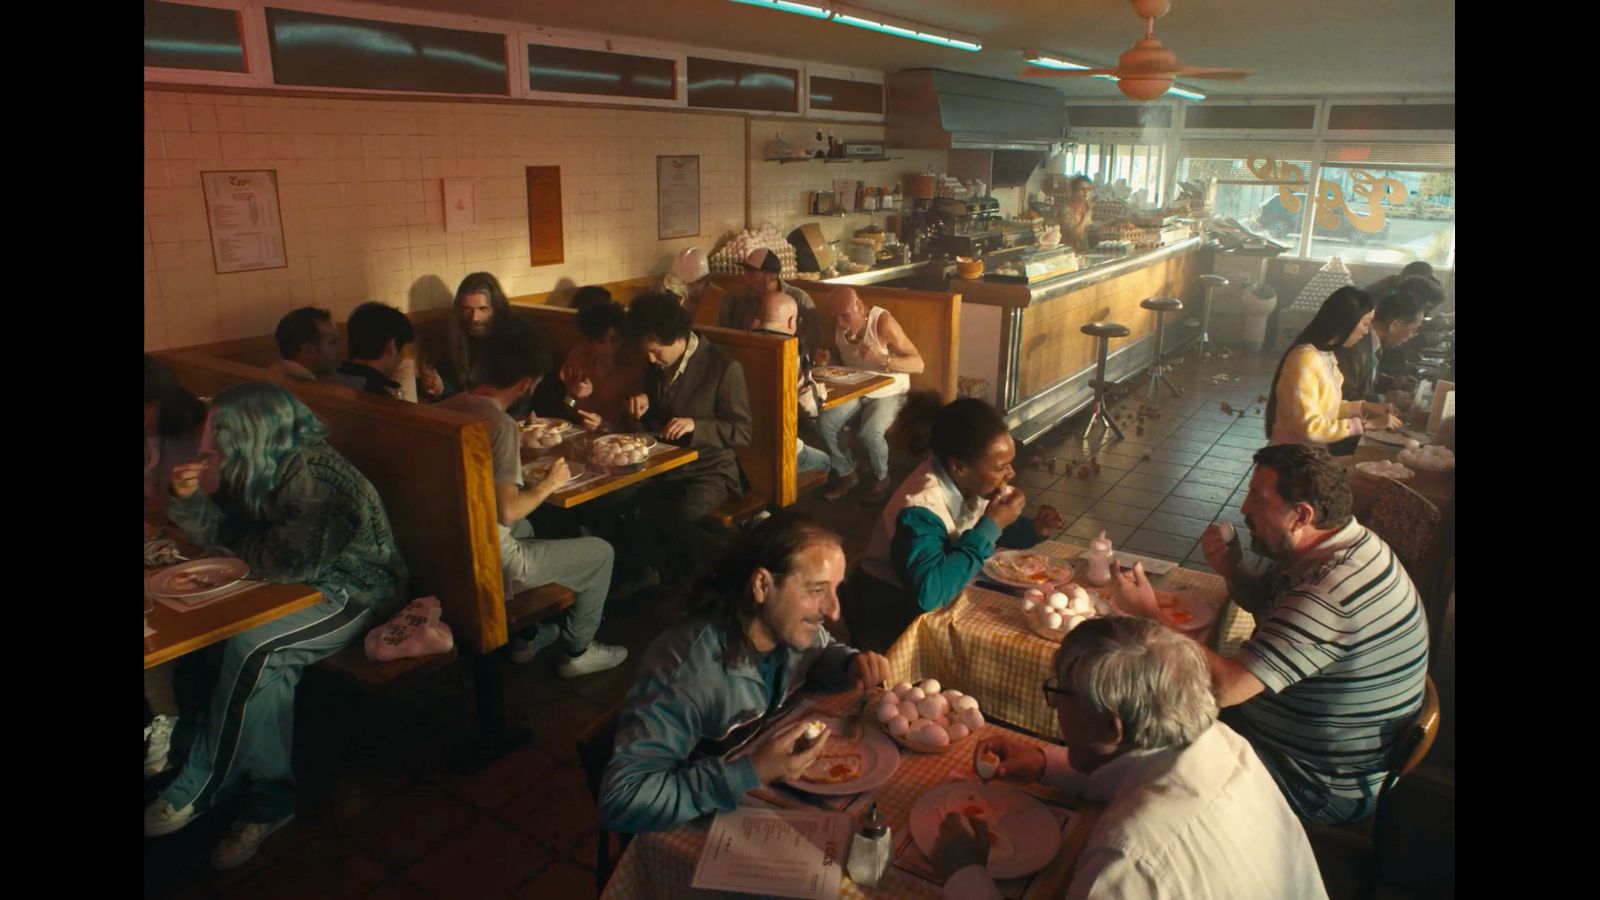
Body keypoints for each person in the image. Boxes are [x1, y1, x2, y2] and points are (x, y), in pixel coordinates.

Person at [143, 383, 409, 870]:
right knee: (247, 654)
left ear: (254, 433)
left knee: (253, 647)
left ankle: (201, 783)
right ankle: (272, 798)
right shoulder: (266, 467)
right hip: (304, 583)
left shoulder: (316, 477)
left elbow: (282, 562)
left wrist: (232, 543)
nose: (213, 446)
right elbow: (233, 540)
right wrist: (187, 501)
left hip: (357, 589)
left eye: (222, 434)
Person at [1111, 444, 1430, 824]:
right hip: (1307, 745)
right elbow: (1271, 605)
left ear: (1301, 516)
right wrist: (1233, 570)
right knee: (1154, 712)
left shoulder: (1329, 592)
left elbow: (1227, 688)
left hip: (1314, 781)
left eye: (1258, 499)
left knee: (1142, 728)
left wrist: (1147, 613)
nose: (1244, 509)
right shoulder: (1345, 545)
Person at [931, 616, 1326, 899]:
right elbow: (1136, 767)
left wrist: (963, 874)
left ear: (1110, 728)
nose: (1053, 706)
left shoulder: (1125, 864)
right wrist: (1044, 762)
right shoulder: (1224, 743)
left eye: (1060, 693)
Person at [597, 511, 891, 834]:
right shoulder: (687, 672)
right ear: (763, 585)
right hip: (696, 832)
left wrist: (849, 665)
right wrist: (752, 771)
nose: (835, 611)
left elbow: (821, 653)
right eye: (817, 590)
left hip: (760, 804)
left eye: (836, 589)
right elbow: (621, 800)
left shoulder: (786, 628)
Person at [435, 326, 627, 676]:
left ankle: (528, 636)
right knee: (601, 552)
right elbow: (507, 511)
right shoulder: (499, 425)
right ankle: (577, 651)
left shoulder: (445, 407)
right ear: (527, 383)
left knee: (536, 526)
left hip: (446, 546)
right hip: (488, 559)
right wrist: (550, 483)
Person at [849, 395, 1065, 652]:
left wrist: (1032, 529)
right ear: (959, 467)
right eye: (1001, 467)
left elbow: (985, 526)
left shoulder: (966, 482)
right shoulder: (919, 511)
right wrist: (991, 527)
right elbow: (929, 595)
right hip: (891, 619)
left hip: (940, 595)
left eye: (1010, 464)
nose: (1011, 474)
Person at [623, 291, 753, 585]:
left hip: (710, 470)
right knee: (622, 501)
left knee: (677, 517)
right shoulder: (656, 365)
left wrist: (697, 425)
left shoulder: (723, 367)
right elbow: (661, 411)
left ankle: (687, 591)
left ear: (679, 338)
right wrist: (644, 401)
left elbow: (742, 431)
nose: (650, 358)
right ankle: (646, 576)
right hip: (666, 465)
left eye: (656, 351)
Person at [815, 287, 924, 503]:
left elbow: (918, 364)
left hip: (891, 389)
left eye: (845, 315)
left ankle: (881, 478)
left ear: (860, 305)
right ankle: (848, 474)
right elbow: (842, 359)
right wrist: (826, 362)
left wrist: (882, 360)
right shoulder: (838, 324)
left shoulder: (882, 323)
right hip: (856, 387)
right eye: (835, 317)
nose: (840, 323)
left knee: (869, 432)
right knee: (825, 423)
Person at [1264, 286, 1401, 451]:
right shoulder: (1305, 358)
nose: (1366, 332)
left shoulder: (1326, 355)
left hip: (1309, 455)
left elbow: (1326, 407)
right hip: (1289, 459)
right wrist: (1367, 424)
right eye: (1365, 324)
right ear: (1346, 322)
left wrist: (1364, 406)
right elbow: (1310, 426)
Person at [1331, 283, 1428, 454]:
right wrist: (1380, 400)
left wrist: (1392, 383)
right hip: (1336, 434)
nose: (1411, 336)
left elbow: (1364, 376)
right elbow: (1342, 397)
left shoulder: (1371, 344)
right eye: (1413, 329)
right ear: (1395, 324)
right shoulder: (1357, 347)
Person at [748, 290, 831, 476]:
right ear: (791, 321)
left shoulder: (742, 343)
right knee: (825, 462)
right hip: (776, 446)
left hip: (741, 444)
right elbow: (808, 408)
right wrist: (820, 396)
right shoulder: (789, 352)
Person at [544, 286, 644, 431]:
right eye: (600, 341)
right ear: (590, 341)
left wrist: (605, 426)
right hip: (580, 435)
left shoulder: (634, 366)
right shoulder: (578, 359)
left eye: (615, 340)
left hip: (619, 441)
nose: (609, 347)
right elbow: (565, 410)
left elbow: (639, 427)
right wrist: (574, 395)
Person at [418, 272, 519, 402]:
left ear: (497, 308)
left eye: (482, 309)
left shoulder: (515, 338)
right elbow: (455, 382)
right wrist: (440, 386)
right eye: (467, 309)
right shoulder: (456, 334)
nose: (474, 318)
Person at [721, 249, 821, 359]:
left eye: (751, 274)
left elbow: (810, 346)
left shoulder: (799, 301)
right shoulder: (740, 302)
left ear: (772, 277)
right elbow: (727, 342)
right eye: (745, 272)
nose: (745, 279)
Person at [331, 302, 414, 398]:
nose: (402, 358)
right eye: (404, 350)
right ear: (391, 347)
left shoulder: (330, 382)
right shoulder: (380, 397)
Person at [268, 306, 341, 381]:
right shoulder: (311, 390)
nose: (339, 348)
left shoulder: (272, 375)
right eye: (333, 342)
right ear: (308, 350)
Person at [661, 246, 725, 323]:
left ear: (700, 281)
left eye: (686, 284)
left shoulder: (721, 301)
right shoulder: (683, 299)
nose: (684, 289)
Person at [1058, 175, 1094, 251]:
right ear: (1074, 191)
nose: (1086, 192)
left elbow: (1090, 227)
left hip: (1083, 251)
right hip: (1068, 252)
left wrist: (1111, 221)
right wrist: (1086, 216)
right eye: (1082, 189)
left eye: (1088, 189)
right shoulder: (1066, 211)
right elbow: (1074, 234)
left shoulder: (1086, 208)